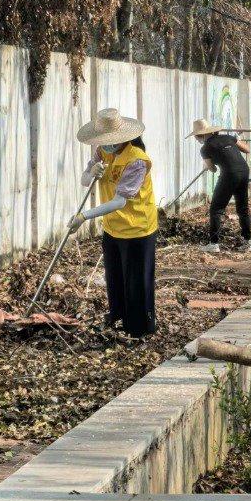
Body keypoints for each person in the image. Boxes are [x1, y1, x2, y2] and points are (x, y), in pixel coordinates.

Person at [68, 108, 158, 338]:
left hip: (138, 228)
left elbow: (119, 201)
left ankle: (140, 328)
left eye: (110, 142)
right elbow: (83, 181)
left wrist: (84, 217)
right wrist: (92, 171)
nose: (105, 145)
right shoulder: (102, 153)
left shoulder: (137, 160)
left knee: (136, 281)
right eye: (102, 142)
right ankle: (118, 319)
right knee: (115, 277)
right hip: (112, 227)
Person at [187, 118, 251, 253]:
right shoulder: (229, 137)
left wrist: (208, 164)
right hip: (244, 171)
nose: (197, 139)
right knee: (243, 208)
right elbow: (247, 149)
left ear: (202, 135)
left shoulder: (205, 148)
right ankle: (248, 243)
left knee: (216, 209)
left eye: (196, 136)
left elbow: (213, 169)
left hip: (229, 175)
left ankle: (214, 244)